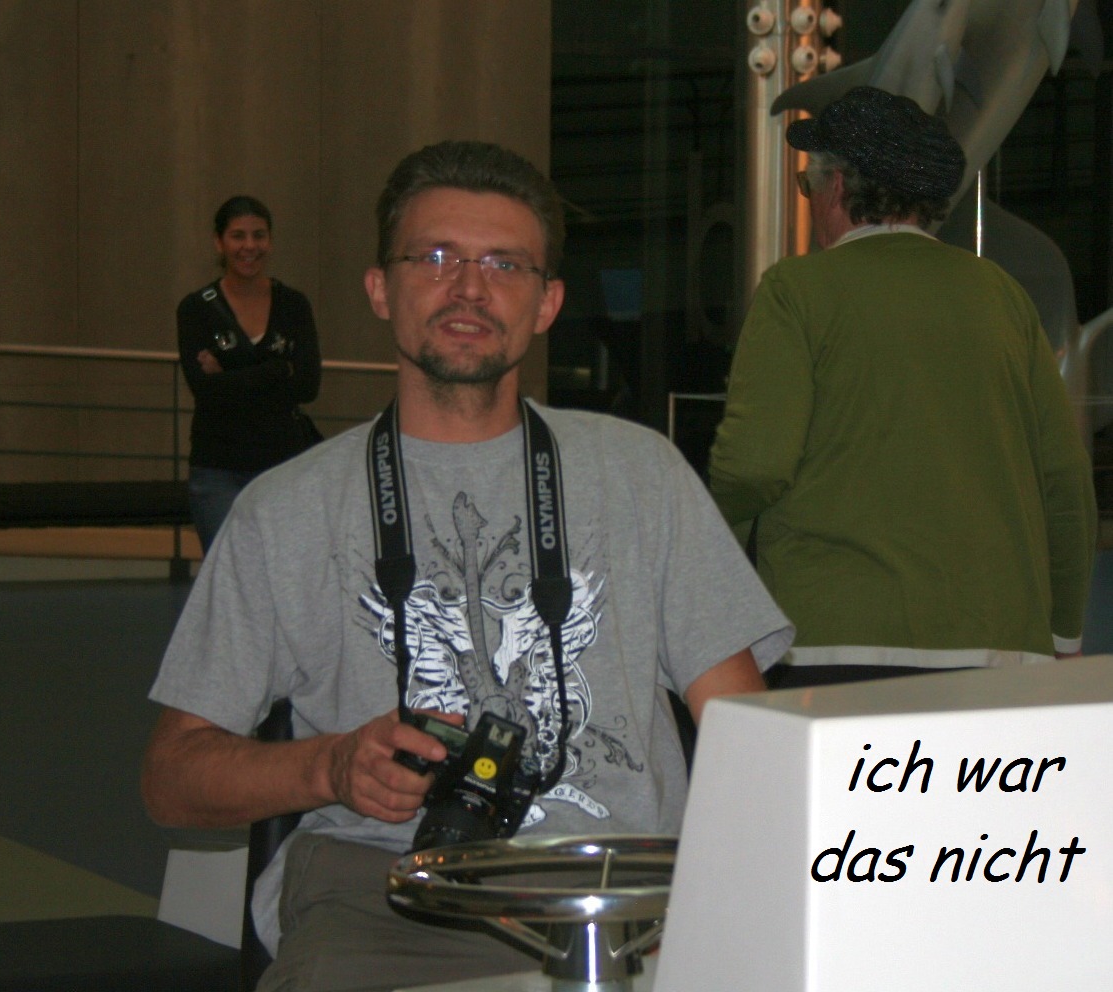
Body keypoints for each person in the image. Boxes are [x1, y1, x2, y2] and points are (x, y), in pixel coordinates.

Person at [143, 140, 793, 992]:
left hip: (625, 895)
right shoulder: (286, 509)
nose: (470, 288)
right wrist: (328, 767)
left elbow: (748, 731)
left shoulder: (640, 474)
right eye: (437, 257)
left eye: (505, 264)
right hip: (389, 903)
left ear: (547, 302)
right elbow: (172, 777)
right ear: (381, 288)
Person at [707, 86, 1098, 689]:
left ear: (837, 187)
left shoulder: (796, 292)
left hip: (833, 640)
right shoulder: (1003, 297)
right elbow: (1066, 485)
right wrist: (1063, 636)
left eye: (808, 187)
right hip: (999, 649)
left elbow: (754, 466)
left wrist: (707, 553)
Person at [177, 195, 322, 553]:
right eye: (238, 236)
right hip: (218, 468)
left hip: (283, 465)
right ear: (219, 242)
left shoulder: (294, 305)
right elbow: (205, 391)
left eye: (258, 235)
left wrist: (228, 374)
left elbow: (308, 385)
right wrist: (278, 369)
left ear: (270, 241)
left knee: (284, 569)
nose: (249, 246)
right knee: (225, 571)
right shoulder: (195, 309)